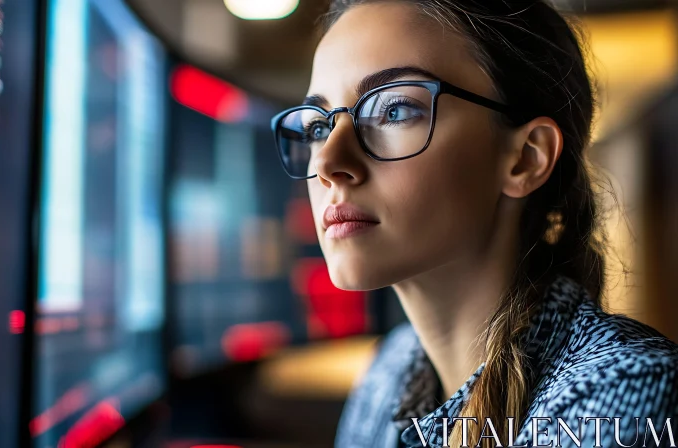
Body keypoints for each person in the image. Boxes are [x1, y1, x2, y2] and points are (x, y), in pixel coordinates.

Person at [269, 1, 678, 447]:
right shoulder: (388, 373)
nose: (328, 162)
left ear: (525, 158)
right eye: (315, 128)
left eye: (394, 110)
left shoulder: (623, 395)